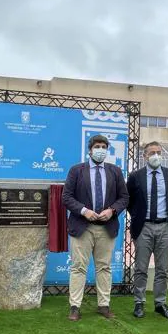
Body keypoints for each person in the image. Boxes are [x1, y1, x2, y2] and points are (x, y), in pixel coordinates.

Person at [62, 135, 129, 321]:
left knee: (104, 267)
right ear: (90, 150)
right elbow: (66, 197)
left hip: (106, 228)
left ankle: (103, 305)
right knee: (78, 268)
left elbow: (124, 198)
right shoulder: (76, 171)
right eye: (97, 146)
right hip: (82, 226)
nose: (101, 150)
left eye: (104, 147)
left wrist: (112, 210)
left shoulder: (115, 171)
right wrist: (84, 211)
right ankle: (75, 307)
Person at [127, 141, 168, 320]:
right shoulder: (135, 176)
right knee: (141, 268)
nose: (155, 155)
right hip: (144, 227)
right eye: (151, 153)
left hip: (165, 226)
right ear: (145, 156)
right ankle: (139, 302)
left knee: (162, 269)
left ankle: (160, 303)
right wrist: (139, 217)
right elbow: (130, 201)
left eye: (158, 152)